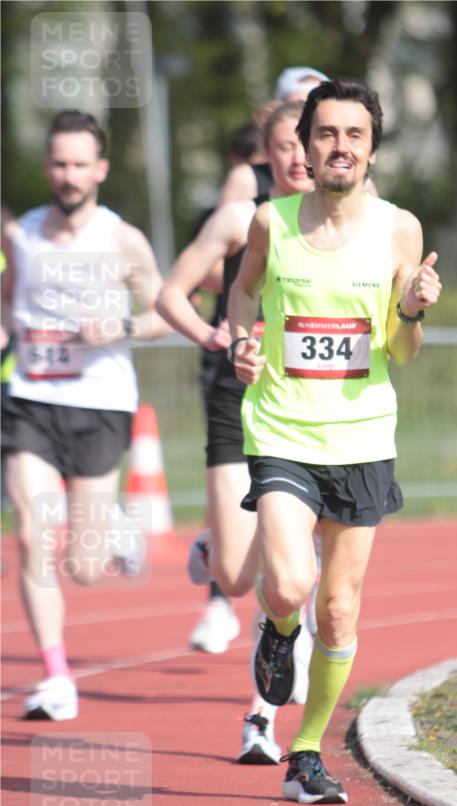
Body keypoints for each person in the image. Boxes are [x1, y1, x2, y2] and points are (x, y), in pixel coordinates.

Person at [228, 77, 441, 804]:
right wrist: (238, 343)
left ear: (372, 148)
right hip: (282, 426)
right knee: (289, 584)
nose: (339, 146)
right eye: (326, 134)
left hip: (361, 438)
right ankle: (276, 627)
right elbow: (242, 293)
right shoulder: (270, 222)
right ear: (306, 148)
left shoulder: (398, 230)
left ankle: (308, 753)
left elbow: (401, 352)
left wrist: (409, 312)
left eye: (354, 134)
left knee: (341, 609)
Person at [157, 102, 316, 764]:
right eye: (283, 147)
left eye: (305, 145)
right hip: (234, 400)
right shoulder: (238, 218)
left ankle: (262, 718)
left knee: (294, 573)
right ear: (265, 153)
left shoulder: (346, 223)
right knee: (233, 572)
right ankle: (214, 541)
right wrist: (209, 333)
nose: (297, 158)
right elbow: (171, 293)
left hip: (307, 413)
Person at [1, 110, 173, 721]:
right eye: (58, 163)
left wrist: (119, 325)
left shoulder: (123, 239)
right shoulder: (21, 234)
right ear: (47, 166)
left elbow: (166, 312)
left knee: (85, 567)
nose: (68, 175)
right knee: (32, 535)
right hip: (30, 401)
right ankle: (55, 676)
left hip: (99, 405)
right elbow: (7, 307)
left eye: (79, 164)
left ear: (99, 169)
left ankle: (115, 531)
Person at [188, 119, 272, 655]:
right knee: (240, 567)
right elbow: (214, 267)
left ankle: (294, 642)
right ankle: (219, 575)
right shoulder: (245, 186)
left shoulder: (343, 193)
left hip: (302, 383)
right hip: (235, 364)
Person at [218, 68, 328, 206]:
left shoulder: (348, 183)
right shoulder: (247, 181)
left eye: (312, 108)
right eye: (293, 107)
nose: (301, 117)